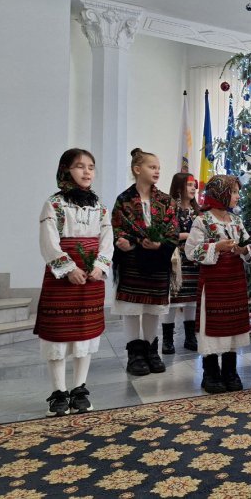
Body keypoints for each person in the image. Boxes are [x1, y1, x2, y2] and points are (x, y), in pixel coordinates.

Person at [36, 148, 113, 416]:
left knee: (85, 332)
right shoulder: (54, 204)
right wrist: (67, 268)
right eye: (80, 166)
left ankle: (80, 389)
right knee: (58, 334)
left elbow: (107, 240)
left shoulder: (100, 206)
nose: (87, 171)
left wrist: (100, 266)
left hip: (91, 277)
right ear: (66, 170)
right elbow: (49, 242)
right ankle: (58, 392)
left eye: (91, 166)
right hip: (62, 278)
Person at [111, 148, 178, 376]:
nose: (157, 171)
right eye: (152, 167)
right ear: (137, 169)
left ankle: (151, 350)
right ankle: (135, 354)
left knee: (152, 309)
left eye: (159, 167)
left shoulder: (166, 201)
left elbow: (172, 229)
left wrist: (160, 245)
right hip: (132, 261)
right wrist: (124, 241)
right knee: (132, 308)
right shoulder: (124, 200)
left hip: (158, 262)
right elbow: (116, 227)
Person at [185, 175, 251, 393]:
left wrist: (245, 250)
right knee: (213, 325)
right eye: (233, 192)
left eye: (236, 192)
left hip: (234, 280)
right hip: (214, 282)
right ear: (220, 193)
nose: (237, 196)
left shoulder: (236, 221)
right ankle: (210, 372)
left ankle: (230, 370)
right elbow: (191, 251)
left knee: (232, 325)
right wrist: (217, 247)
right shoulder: (202, 220)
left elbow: (248, 245)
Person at [161, 173, 200, 354]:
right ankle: (167, 340)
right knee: (173, 299)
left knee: (192, 299)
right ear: (178, 188)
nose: (193, 188)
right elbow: (163, 234)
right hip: (175, 259)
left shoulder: (198, 211)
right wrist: (186, 236)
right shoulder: (170, 209)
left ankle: (190, 337)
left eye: (194, 185)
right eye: (189, 185)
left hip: (194, 260)